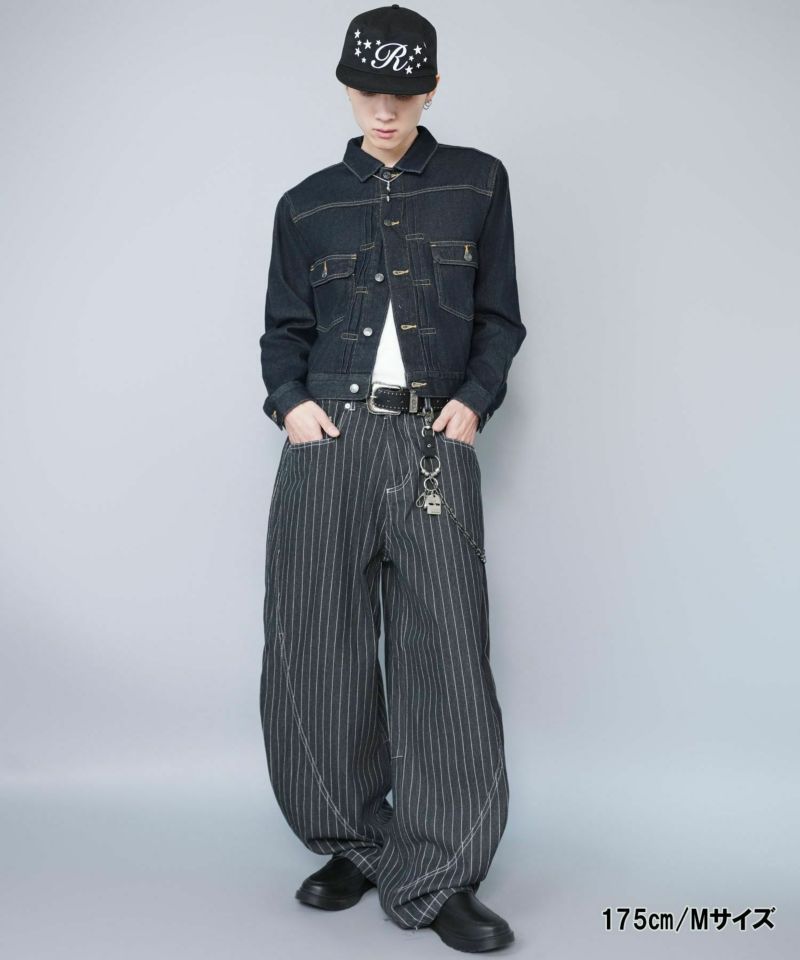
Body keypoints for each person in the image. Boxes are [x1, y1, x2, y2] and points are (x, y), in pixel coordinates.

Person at [258, 4, 526, 952]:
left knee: (445, 649)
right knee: (314, 645)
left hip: (430, 441)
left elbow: (500, 317)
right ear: (346, 89)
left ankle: (442, 871)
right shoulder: (305, 204)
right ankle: (354, 842)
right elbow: (282, 332)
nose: (385, 111)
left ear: (431, 91)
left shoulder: (477, 183)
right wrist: (290, 405)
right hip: (326, 443)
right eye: (370, 92)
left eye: (403, 95)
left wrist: (475, 402)